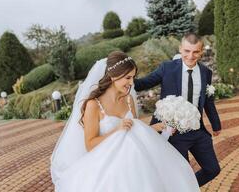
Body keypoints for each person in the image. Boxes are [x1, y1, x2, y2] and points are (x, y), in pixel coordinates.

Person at [50, 51, 200, 192]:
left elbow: (135, 130)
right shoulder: (93, 105)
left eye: (133, 77)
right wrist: (117, 130)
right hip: (110, 168)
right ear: (113, 76)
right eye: (127, 78)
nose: (131, 82)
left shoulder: (128, 99)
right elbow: (90, 144)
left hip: (136, 162)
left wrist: (157, 128)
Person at [134, 33, 221, 187]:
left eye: (195, 52)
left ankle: (187, 188)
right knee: (182, 172)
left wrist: (216, 124)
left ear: (201, 52)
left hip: (197, 131)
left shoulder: (205, 72)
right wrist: (121, 78)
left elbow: (208, 100)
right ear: (180, 49)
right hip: (173, 132)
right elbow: (143, 84)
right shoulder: (167, 68)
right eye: (187, 51)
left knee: (212, 169)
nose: (190, 56)